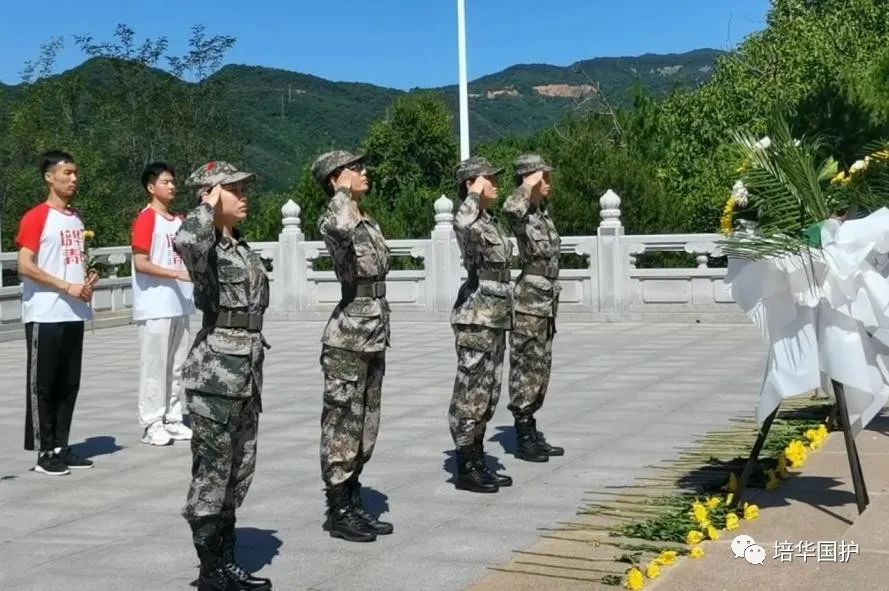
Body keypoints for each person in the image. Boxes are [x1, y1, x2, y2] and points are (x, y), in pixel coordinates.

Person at [174, 161, 272, 591]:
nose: (244, 196)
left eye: (244, 189)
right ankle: (211, 567)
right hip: (214, 376)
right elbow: (184, 240)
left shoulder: (239, 246)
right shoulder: (205, 246)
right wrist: (207, 205)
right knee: (213, 472)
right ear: (211, 196)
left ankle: (226, 558)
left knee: (239, 469)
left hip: (245, 371)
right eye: (234, 190)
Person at [312, 150, 393, 543]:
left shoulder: (365, 218)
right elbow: (340, 229)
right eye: (355, 168)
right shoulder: (335, 216)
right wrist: (341, 192)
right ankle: (338, 507)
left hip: (373, 331)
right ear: (335, 178)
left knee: (365, 422)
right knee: (342, 420)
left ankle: (353, 496)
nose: (364, 172)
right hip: (348, 337)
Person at [16, 150, 97, 476]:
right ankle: (44, 451)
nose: (74, 179)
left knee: (69, 383)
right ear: (49, 177)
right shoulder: (37, 217)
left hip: (73, 312)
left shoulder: (76, 218)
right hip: (45, 313)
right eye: (67, 173)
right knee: (43, 385)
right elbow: (25, 265)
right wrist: (65, 286)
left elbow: (72, 261)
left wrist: (86, 282)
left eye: (76, 173)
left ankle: (62, 446)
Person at [448, 156, 515, 493]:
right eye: (490, 178)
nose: (496, 184)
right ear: (472, 183)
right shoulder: (469, 220)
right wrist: (474, 193)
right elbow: (460, 221)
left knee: (488, 391)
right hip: (476, 316)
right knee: (471, 391)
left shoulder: (489, 221)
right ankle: (465, 465)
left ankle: (477, 457)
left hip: (495, 315)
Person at [502, 154, 565, 462]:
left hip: (546, 298)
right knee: (526, 366)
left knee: (541, 366)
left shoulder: (542, 215)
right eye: (544, 177)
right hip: (529, 301)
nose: (548, 182)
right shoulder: (522, 213)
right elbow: (509, 207)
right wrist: (529, 184)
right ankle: (523, 432)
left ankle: (531, 426)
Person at [131, 162, 195, 447]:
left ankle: (172, 416)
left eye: (173, 182)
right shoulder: (147, 219)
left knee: (177, 365)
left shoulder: (178, 220)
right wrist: (176, 274)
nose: (172, 186)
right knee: (154, 365)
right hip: (155, 304)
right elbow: (141, 262)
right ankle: (151, 422)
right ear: (151, 187)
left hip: (180, 302)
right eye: (165, 182)